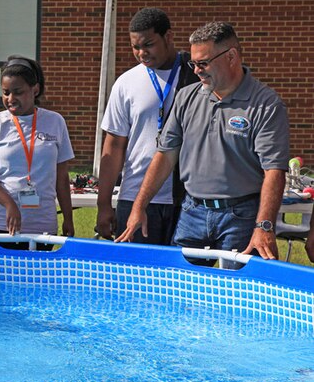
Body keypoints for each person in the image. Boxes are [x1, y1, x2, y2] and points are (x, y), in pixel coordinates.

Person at [116, 21, 290, 264]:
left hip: (240, 214)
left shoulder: (266, 105)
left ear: (231, 56)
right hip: (192, 212)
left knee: (234, 293)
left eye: (203, 63)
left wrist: (264, 226)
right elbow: (165, 155)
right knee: (181, 290)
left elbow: (273, 170)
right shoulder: (187, 97)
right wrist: (139, 206)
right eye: (193, 63)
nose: (196, 70)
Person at [96, 7, 199, 243]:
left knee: (182, 277)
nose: (142, 53)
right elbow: (113, 148)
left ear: (169, 37)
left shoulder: (197, 76)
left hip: (187, 200)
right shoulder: (126, 82)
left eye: (148, 44)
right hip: (136, 198)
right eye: (135, 47)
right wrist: (103, 205)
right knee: (135, 275)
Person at [0, 55, 75, 250]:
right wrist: (9, 204)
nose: (10, 99)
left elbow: (61, 177)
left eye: (17, 92)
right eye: (6, 93)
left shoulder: (55, 121)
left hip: (43, 225)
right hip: (1, 223)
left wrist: (68, 218)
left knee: (38, 278)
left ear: (35, 89)